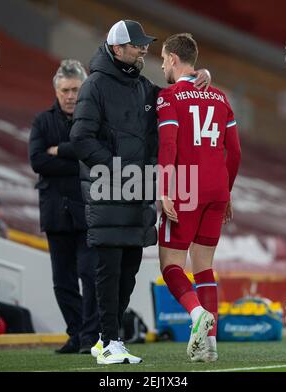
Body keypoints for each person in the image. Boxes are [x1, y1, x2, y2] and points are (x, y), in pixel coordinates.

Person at [70, 20, 211, 365]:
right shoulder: (95, 86)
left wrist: (198, 78)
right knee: (108, 272)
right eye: (136, 45)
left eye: (145, 44)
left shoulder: (145, 87)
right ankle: (106, 342)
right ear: (117, 48)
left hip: (138, 197)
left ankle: (113, 340)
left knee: (128, 274)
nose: (143, 49)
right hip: (107, 193)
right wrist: (121, 169)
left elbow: (175, 102)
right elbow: (81, 138)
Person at [157, 33, 241, 362]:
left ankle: (196, 316)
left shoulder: (170, 96)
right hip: (217, 189)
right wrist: (227, 191)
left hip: (185, 187)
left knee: (171, 266)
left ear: (174, 59)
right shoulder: (220, 97)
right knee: (204, 268)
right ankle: (211, 346)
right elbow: (233, 152)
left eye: (163, 59)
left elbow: (168, 146)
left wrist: (164, 187)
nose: (162, 64)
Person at [29, 60, 100, 354]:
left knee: (89, 274)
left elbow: (95, 157)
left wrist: (61, 151)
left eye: (75, 90)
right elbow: (37, 161)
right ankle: (76, 334)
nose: (70, 96)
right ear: (56, 92)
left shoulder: (94, 120)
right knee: (63, 281)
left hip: (88, 213)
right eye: (65, 90)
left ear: (83, 90)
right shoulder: (42, 121)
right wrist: (77, 159)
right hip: (56, 213)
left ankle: (90, 337)